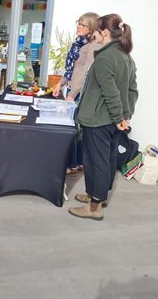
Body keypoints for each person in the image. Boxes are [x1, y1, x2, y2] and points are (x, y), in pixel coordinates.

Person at [69, 13, 138, 220]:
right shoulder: (126, 57)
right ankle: (97, 196)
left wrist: (119, 117)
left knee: (96, 162)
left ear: (105, 33)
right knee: (106, 160)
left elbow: (111, 93)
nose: (94, 35)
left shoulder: (105, 58)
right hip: (114, 121)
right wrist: (125, 116)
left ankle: (94, 207)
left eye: (97, 31)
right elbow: (132, 91)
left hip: (100, 120)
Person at [52, 12, 99, 175]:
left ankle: (72, 163)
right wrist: (60, 83)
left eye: (83, 24)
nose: (79, 26)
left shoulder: (92, 46)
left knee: (71, 128)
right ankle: (78, 162)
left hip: (79, 92)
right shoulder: (78, 44)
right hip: (72, 90)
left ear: (92, 28)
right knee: (74, 128)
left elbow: (84, 74)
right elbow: (72, 70)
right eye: (78, 23)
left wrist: (72, 94)